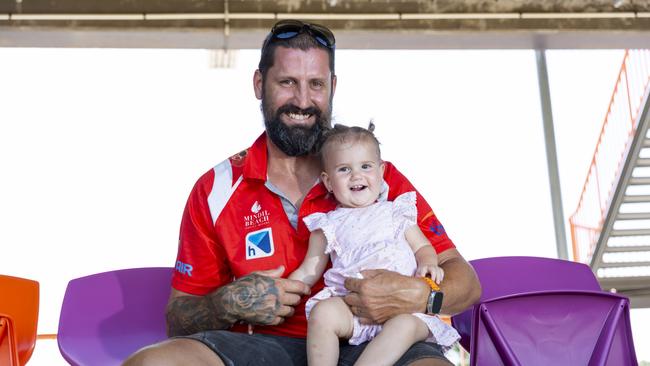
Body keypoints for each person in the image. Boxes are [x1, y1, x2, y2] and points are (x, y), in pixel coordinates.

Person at [124, 19, 480, 366]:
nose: (302, 100)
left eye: (316, 84)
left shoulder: (377, 178)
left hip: (379, 340)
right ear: (259, 83)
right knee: (151, 362)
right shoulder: (214, 189)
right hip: (261, 347)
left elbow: (466, 283)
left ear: (333, 87)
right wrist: (225, 304)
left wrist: (417, 294)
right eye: (287, 82)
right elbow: (179, 319)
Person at [287, 123, 460, 366]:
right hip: (354, 309)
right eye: (344, 169)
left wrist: (428, 264)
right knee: (323, 313)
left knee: (405, 326)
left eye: (365, 166)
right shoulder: (327, 225)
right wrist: (286, 287)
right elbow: (309, 269)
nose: (356, 175)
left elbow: (422, 247)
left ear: (381, 172)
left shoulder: (396, 212)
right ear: (328, 181)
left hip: (404, 310)